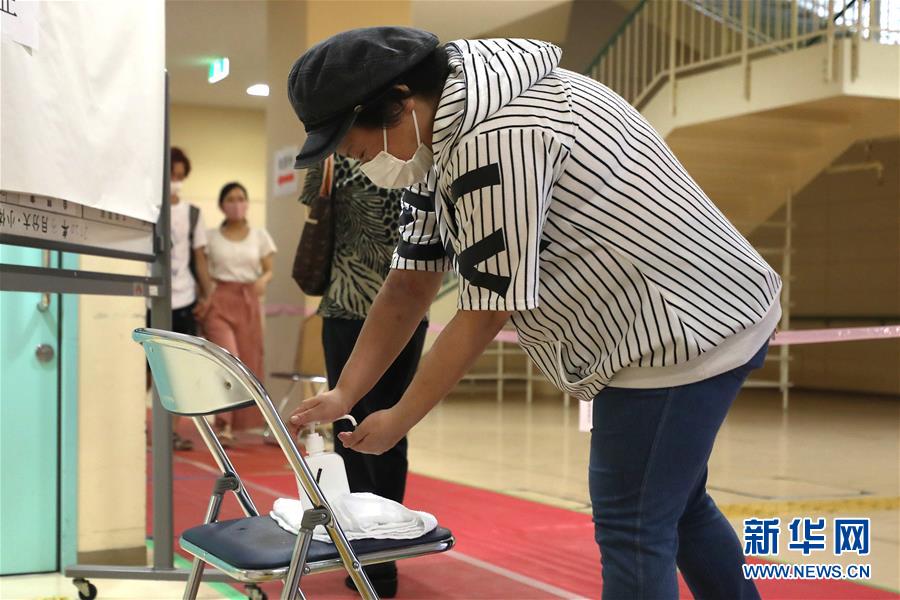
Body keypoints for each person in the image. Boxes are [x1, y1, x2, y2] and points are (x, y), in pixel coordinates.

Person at [287, 27, 780, 599]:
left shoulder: (498, 134)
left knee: (633, 525)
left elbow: (486, 309)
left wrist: (399, 418)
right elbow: (409, 282)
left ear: (399, 102)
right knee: (675, 505)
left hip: (679, 325)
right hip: (676, 314)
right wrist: (347, 394)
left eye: (360, 149)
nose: (363, 163)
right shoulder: (436, 137)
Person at [299, 155, 426, 597]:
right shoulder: (416, 160)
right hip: (404, 310)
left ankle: (362, 550)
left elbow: (314, 206)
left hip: (349, 304)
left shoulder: (334, 157)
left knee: (349, 429)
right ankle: (382, 555)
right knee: (387, 432)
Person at [148, 146, 214, 451]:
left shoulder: (193, 213)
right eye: (170, 175)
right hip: (151, 299)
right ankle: (145, 427)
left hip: (184, 298)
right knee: (147, 369)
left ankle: (171, 431)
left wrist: (207, 294)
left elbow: (199, 257)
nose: (175, 181)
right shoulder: (150, 208)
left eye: (179, 176)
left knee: (179, 370)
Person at [202, 182, 276, 444]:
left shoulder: (260, 236)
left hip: (248, 300)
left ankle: (238, 422)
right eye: (231, 199)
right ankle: (223, 423)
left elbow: (269, 269)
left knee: (247, 362)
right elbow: (202, 269)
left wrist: (263, 280)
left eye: (241, 198)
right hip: (220, 299)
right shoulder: (210, 237)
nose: (237, 204)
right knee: (227, 358)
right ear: (222, 205)